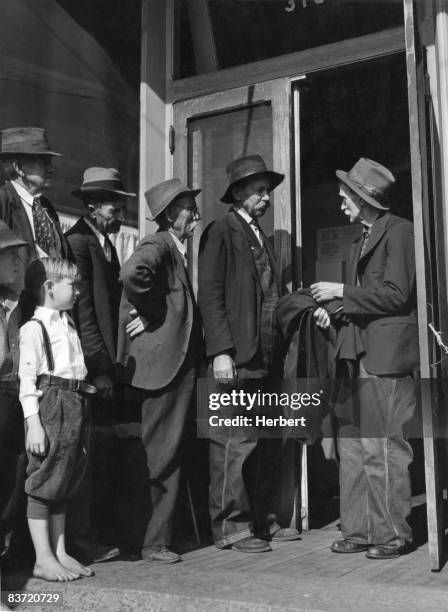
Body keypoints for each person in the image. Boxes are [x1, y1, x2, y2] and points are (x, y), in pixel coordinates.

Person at [310, 157, 419, 560]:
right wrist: (333, 308)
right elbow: (363, 300)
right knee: (353, 445)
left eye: (345, 197)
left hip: (386, 357)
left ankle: (392, 535)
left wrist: (341, 292)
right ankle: (358, 531)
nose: (340, 204)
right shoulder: (362, 239)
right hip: (356, 352)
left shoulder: (400, 232)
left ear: (364, 197)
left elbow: (396, 294)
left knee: (382, 446)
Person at [198, 155, 300, 553]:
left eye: (267, 191)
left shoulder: (262, 236)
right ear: (239, 193)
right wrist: (221, 351)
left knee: (261, 441)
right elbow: (211, 295)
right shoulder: (220, 231)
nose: (265, 197)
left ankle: (261, 520)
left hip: (265, 357)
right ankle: (231, 529)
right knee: (232, 441)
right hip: (237, 356)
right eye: (258, 191)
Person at [118, 178, 202, 564]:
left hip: (174, 368)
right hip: (164, 369)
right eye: (189, 208)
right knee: (161, 454)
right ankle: (152, 542)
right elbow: (132, 274)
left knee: (166, 452)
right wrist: (154, 313)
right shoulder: (159, 244)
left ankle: (158, 537)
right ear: (171, 214)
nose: (196, 215)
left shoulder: (175, 248)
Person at [65, 167, 137, 560]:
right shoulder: (78, 241)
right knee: (89, 456)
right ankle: (82, 539)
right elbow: (84, 312)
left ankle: (99, 531)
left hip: (109, 361)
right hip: (95, 367)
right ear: (93, 206)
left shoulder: (103, 243)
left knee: (105, 453)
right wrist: (99, 368)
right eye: (114, 203)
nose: (120, 210)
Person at [19, 257, 96, 581]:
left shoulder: (68, 323)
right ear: (50, 288)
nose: (77, 291)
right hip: (51, 403)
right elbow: (26, 381)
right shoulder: (33, 329)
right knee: (43, 479)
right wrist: (33, 422)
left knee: (64, 480)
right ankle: (42, 557)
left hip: (76, 401)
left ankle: (60, 551)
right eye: (71, 285)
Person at [0, 127, 69, 298]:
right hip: (18, 312)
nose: (51, 169)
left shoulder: (46, 208)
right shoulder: (3, 201)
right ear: (19, 167)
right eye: (43, 162)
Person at [0, 222, 28, 556]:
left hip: (13, 397)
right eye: (10, 257)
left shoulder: (14, 304)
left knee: (11, 472)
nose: (18, 264)